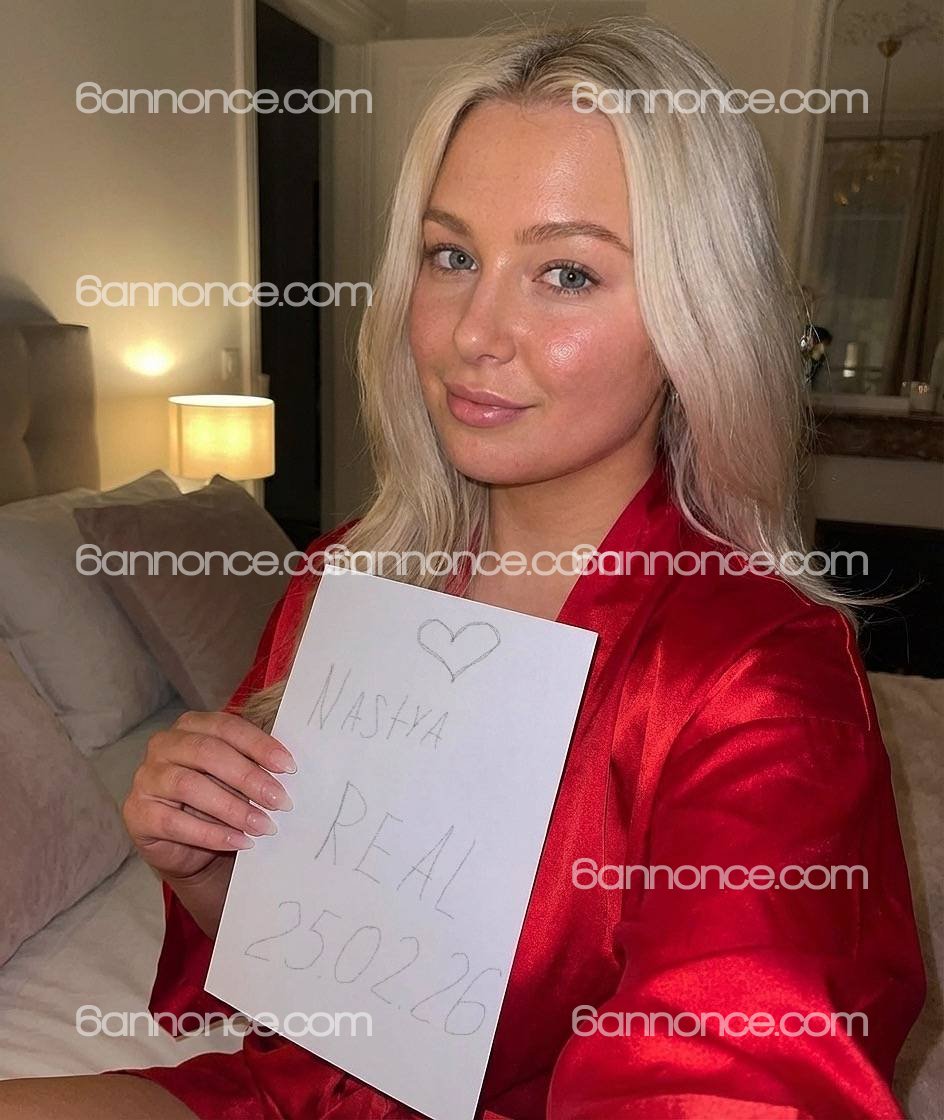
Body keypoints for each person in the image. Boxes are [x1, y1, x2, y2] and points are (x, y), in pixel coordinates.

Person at [0, 17, 924, 1119]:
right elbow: (312, 976)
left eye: (566, 273)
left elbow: (731, 1078)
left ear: (697, 316)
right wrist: (205, 864)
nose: (472, 333)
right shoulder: (347, 579)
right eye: (451, 256)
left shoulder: (753, 678)